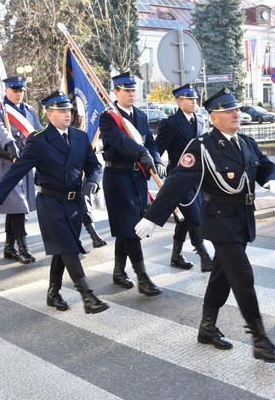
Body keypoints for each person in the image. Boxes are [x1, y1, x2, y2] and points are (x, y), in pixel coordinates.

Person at [135, 87, 275, 363]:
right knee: (243, 276)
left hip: (242, 220)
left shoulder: (247, 143)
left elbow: (265, 167)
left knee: (222, 275)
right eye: (228, 111)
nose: (236, 114)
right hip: (219, 220)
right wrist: (152, 216)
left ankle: (207, 328)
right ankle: (260, 339)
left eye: (236, 109)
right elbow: (177, 181)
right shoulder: (202, 147)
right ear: (213, 117)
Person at [0, 91, 108, 314]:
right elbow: (16, 171)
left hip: (75, 203)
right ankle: (87, 295)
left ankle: (53, 292)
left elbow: (94, 165)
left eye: (69, 110)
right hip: (51, 202)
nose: (68, 114)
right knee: (68, 246)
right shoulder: (39, 140)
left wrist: (94, 181)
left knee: (61, 249)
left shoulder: (79, 137)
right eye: (62, 110)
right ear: (49, 114)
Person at [100, 72, 164, 297]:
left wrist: (155, 159)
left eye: (133, 90)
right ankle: (143, 278)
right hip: (117, 177)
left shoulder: (140, 115)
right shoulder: (108, 116)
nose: (131, 94)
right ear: (115, 92)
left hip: (137, 178)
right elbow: (119, 140)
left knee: (126, 227)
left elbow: (151, 142)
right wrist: (141, 152)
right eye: (126, 90)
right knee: (131, 227)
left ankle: (119, 272)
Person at [154, 83, 213, 272]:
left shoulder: (201, 120)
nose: (194, 101)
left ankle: (176, 255)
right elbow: (157, 149)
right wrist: (157, 163)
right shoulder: (169, 123)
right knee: (194, 217)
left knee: (188, 217)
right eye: (189, 98)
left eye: (194, 98)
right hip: (179, 178)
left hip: (199, 177)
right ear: (179, 101)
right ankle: (204, 256)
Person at [0, 75, 42, 265]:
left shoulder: (29, 110)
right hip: (4, 162)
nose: (18, 94)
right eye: (15, 90)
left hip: (23, 162)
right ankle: (23, 249)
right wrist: (9, 143)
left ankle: (9, 247)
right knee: (18, 205)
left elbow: (38, 132)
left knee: (16, 206)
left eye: (21, 90)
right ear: (7, 91)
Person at [70, 103, 108, 250]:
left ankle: (93, 235)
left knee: (84, 203)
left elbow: (102, 138)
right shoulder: (63, 118)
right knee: (75, 205)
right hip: (69, 171)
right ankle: (79, 238)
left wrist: (94, 146)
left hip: (84, 167)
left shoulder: (91, 116)